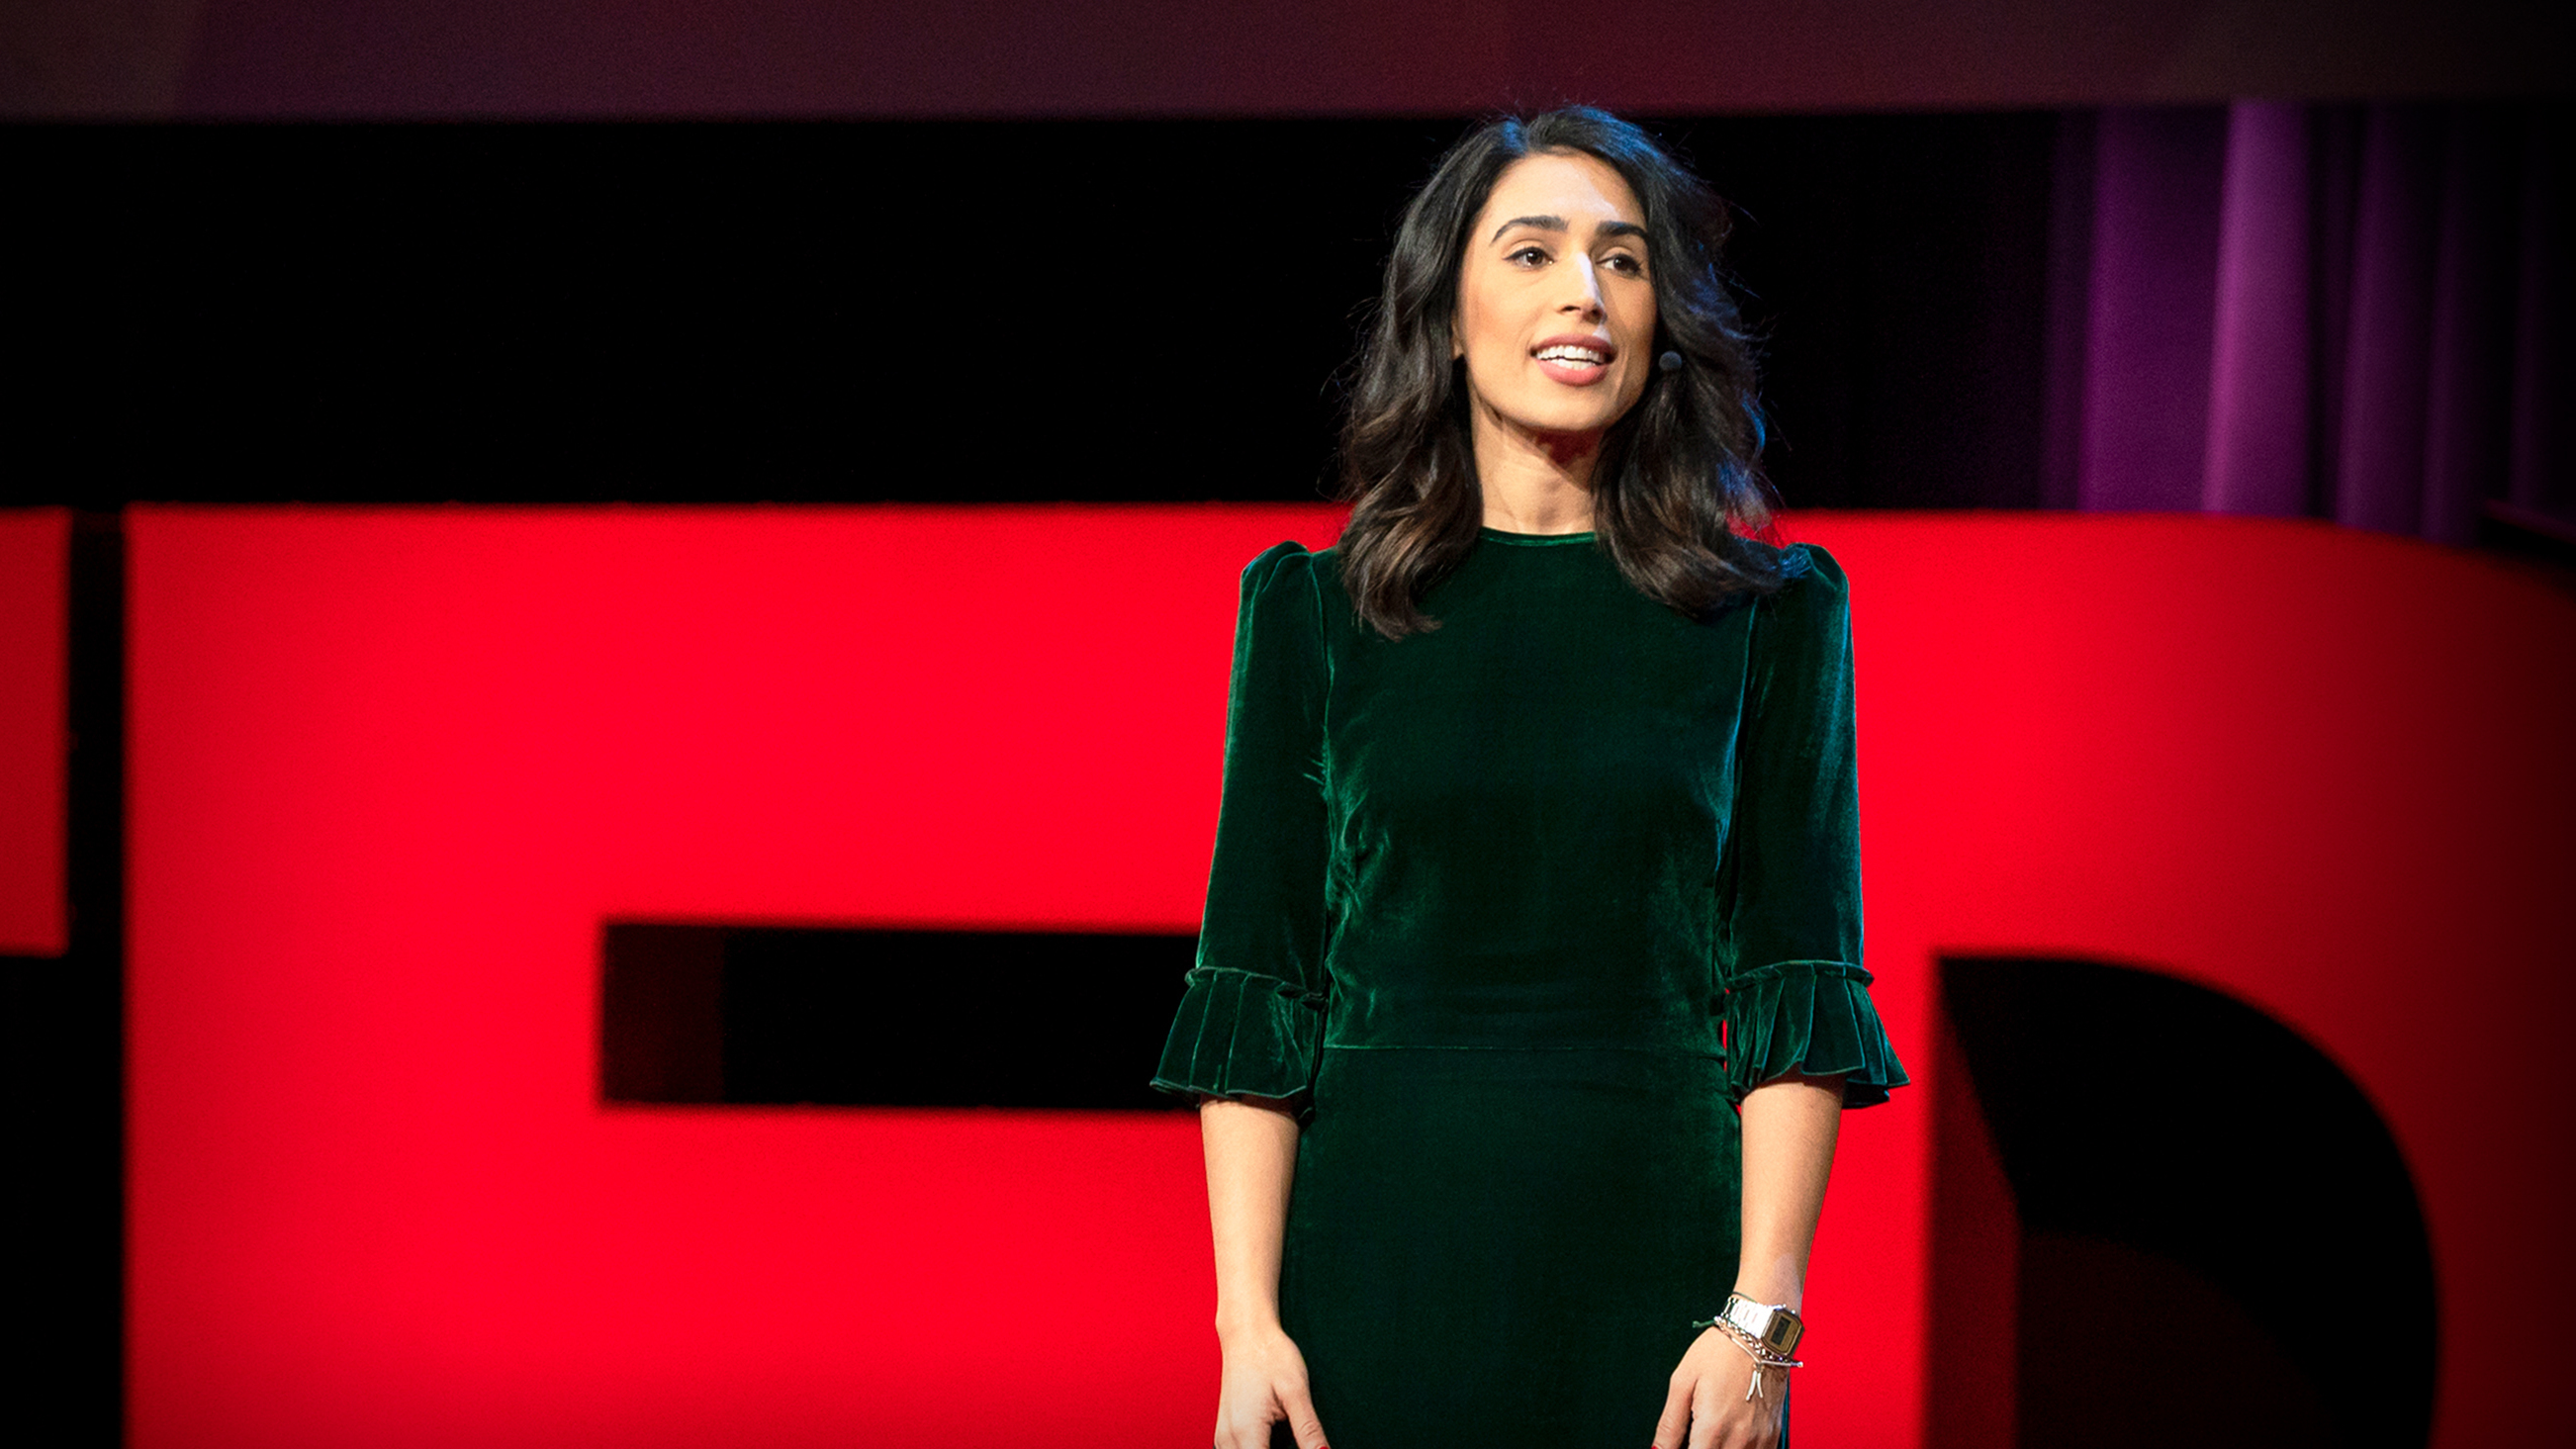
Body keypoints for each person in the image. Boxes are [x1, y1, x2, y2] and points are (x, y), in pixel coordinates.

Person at [1150, 107, 1907, 1449]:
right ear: (1444, 313)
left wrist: (1760, 1319)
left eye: (1624, 260)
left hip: (1666, 1299)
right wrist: (1248, 1326)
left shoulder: (1772, 617)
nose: (1585, 292)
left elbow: (1798, 981)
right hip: (1371, 1286)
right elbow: (1259, 990)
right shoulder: (1314, 613)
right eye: (1534, 250)